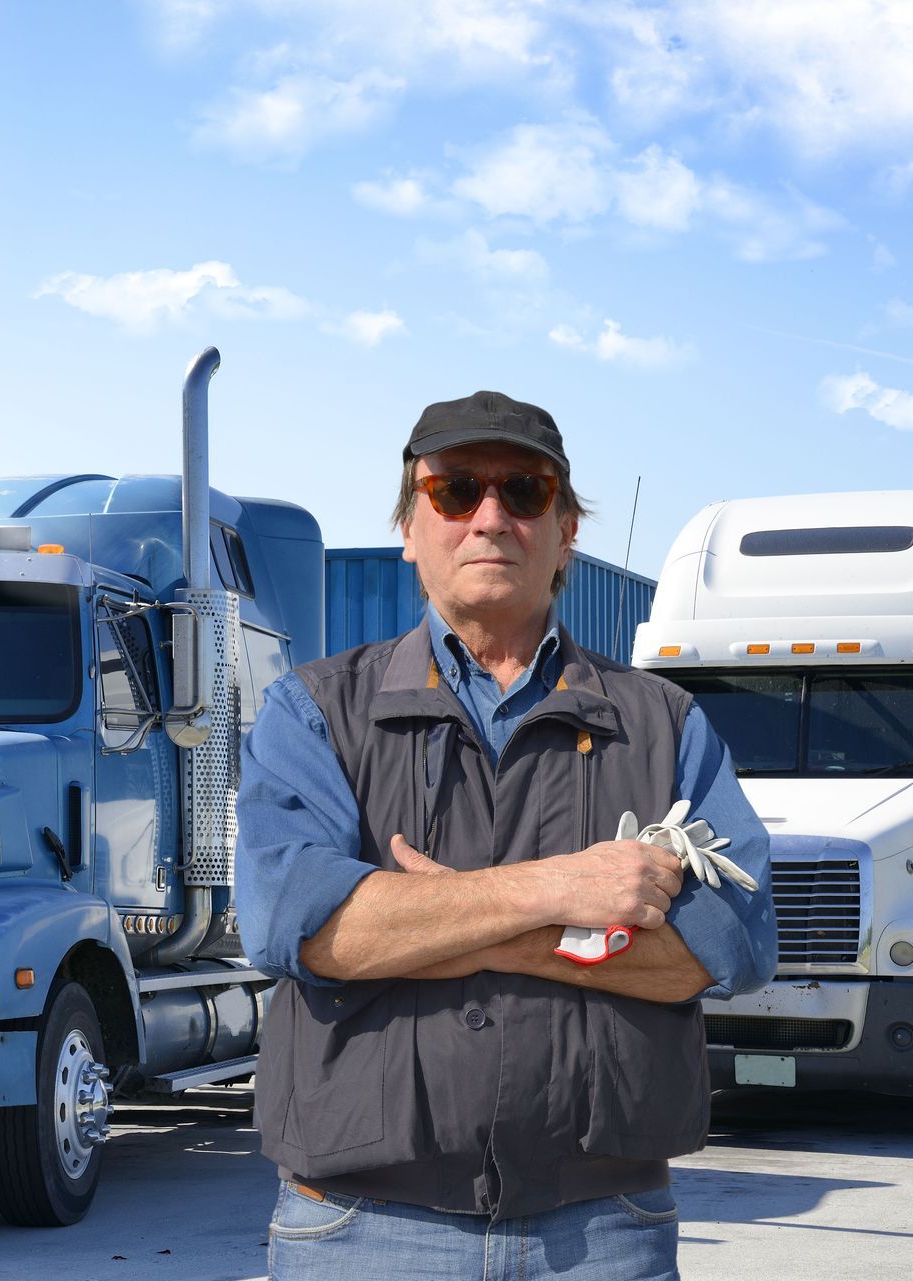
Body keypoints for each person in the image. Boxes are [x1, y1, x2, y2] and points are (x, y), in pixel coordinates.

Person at [234, 391, 777, 1280]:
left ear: (565, 530)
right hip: (362, 1231)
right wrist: (565, 891)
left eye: (524, 491)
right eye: (454, 491)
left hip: (604, 1230)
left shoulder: (666, 724)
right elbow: (304, 928)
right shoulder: (315, 711)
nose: (490, 516)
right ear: (410, 525)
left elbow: (733, 945)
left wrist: (438, 919)